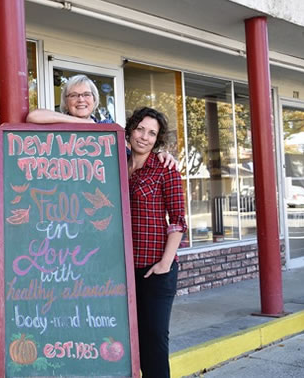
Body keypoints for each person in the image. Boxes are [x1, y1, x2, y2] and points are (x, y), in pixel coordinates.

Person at [126, 107, 187, 378]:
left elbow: (178, 220)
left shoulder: (165, 168)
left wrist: (165, 263)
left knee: (155, 341)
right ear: (130, 130)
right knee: (129, 341)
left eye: (152, 133)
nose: (144, 137)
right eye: (140, 129)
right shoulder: (115, 163)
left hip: (156, 269)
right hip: (123, 269)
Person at [26, 74, 177, 169]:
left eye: (86, 94)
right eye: (73, 95)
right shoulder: (57, 124)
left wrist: (159, 155)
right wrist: (85, 124)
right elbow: (33, 117)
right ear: (65, 102)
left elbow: (132, 156)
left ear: (94, 99)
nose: (81, 100)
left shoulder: (108, 129)